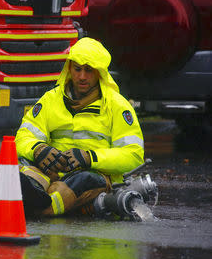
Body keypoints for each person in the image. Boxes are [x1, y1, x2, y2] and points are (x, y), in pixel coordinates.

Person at [15, 37, 144, 217]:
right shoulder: (50, 100)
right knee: (28, 172)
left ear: (100, 72)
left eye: (89, 70)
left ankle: (43, 208)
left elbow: (133, 154)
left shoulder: (118, 106)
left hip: (96, 175)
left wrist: (90, 158)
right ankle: (34, 197)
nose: (82, 76)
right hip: (52, 171)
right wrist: (38, 150)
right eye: (77, 69)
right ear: (69, 68)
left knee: (83, 179)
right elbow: (22, 137)